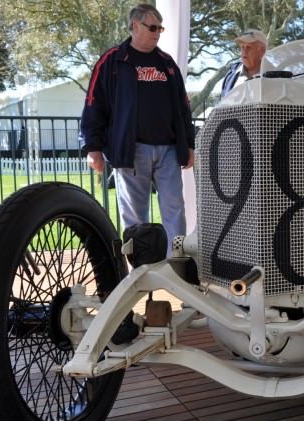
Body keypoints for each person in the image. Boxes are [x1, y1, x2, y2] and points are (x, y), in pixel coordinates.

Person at [80, 3, 195, 256]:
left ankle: (176, 263)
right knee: (134, 215)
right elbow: (93, 105)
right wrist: (93, 147)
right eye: (152, 27)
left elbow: (183, 105)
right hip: (131, 150)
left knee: (175, 208)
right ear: (134, 25)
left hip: (167, 150)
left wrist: (189, 143)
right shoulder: (111, 61)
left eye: (160, 28)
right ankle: (140, 268)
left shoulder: (167, 64)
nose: (157, 33)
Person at [220, 29, 268, 98]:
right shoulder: (230, 75)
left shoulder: (276, 76)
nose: (244, 51)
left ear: (262, 50)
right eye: (242, 47)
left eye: (249, 47)